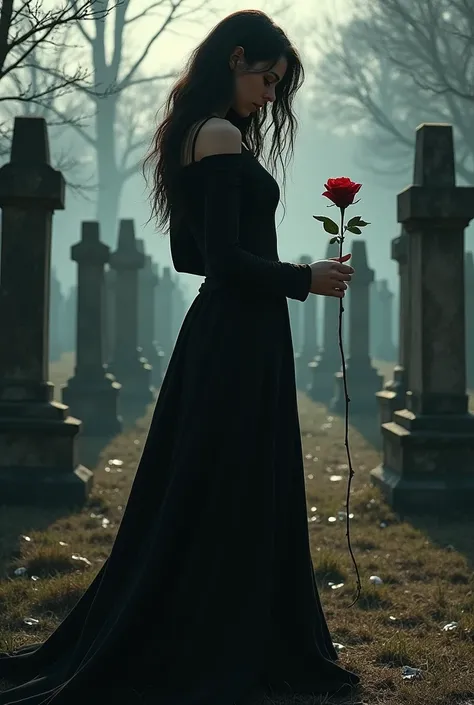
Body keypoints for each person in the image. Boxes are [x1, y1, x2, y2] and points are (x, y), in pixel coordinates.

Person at [0, 9, 360, 705]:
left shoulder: (203, 133)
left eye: (278, 84)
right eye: (266, 77)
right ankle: (225, 637)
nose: (270, 94)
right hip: (237, 337)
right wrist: (300, 278)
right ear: (235, 59)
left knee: (216, 486)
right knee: (231, 486)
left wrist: (283, 276)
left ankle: (230, 627)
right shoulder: (222, 136)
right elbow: (222, 260)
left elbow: (189, 254)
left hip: (232, 334)